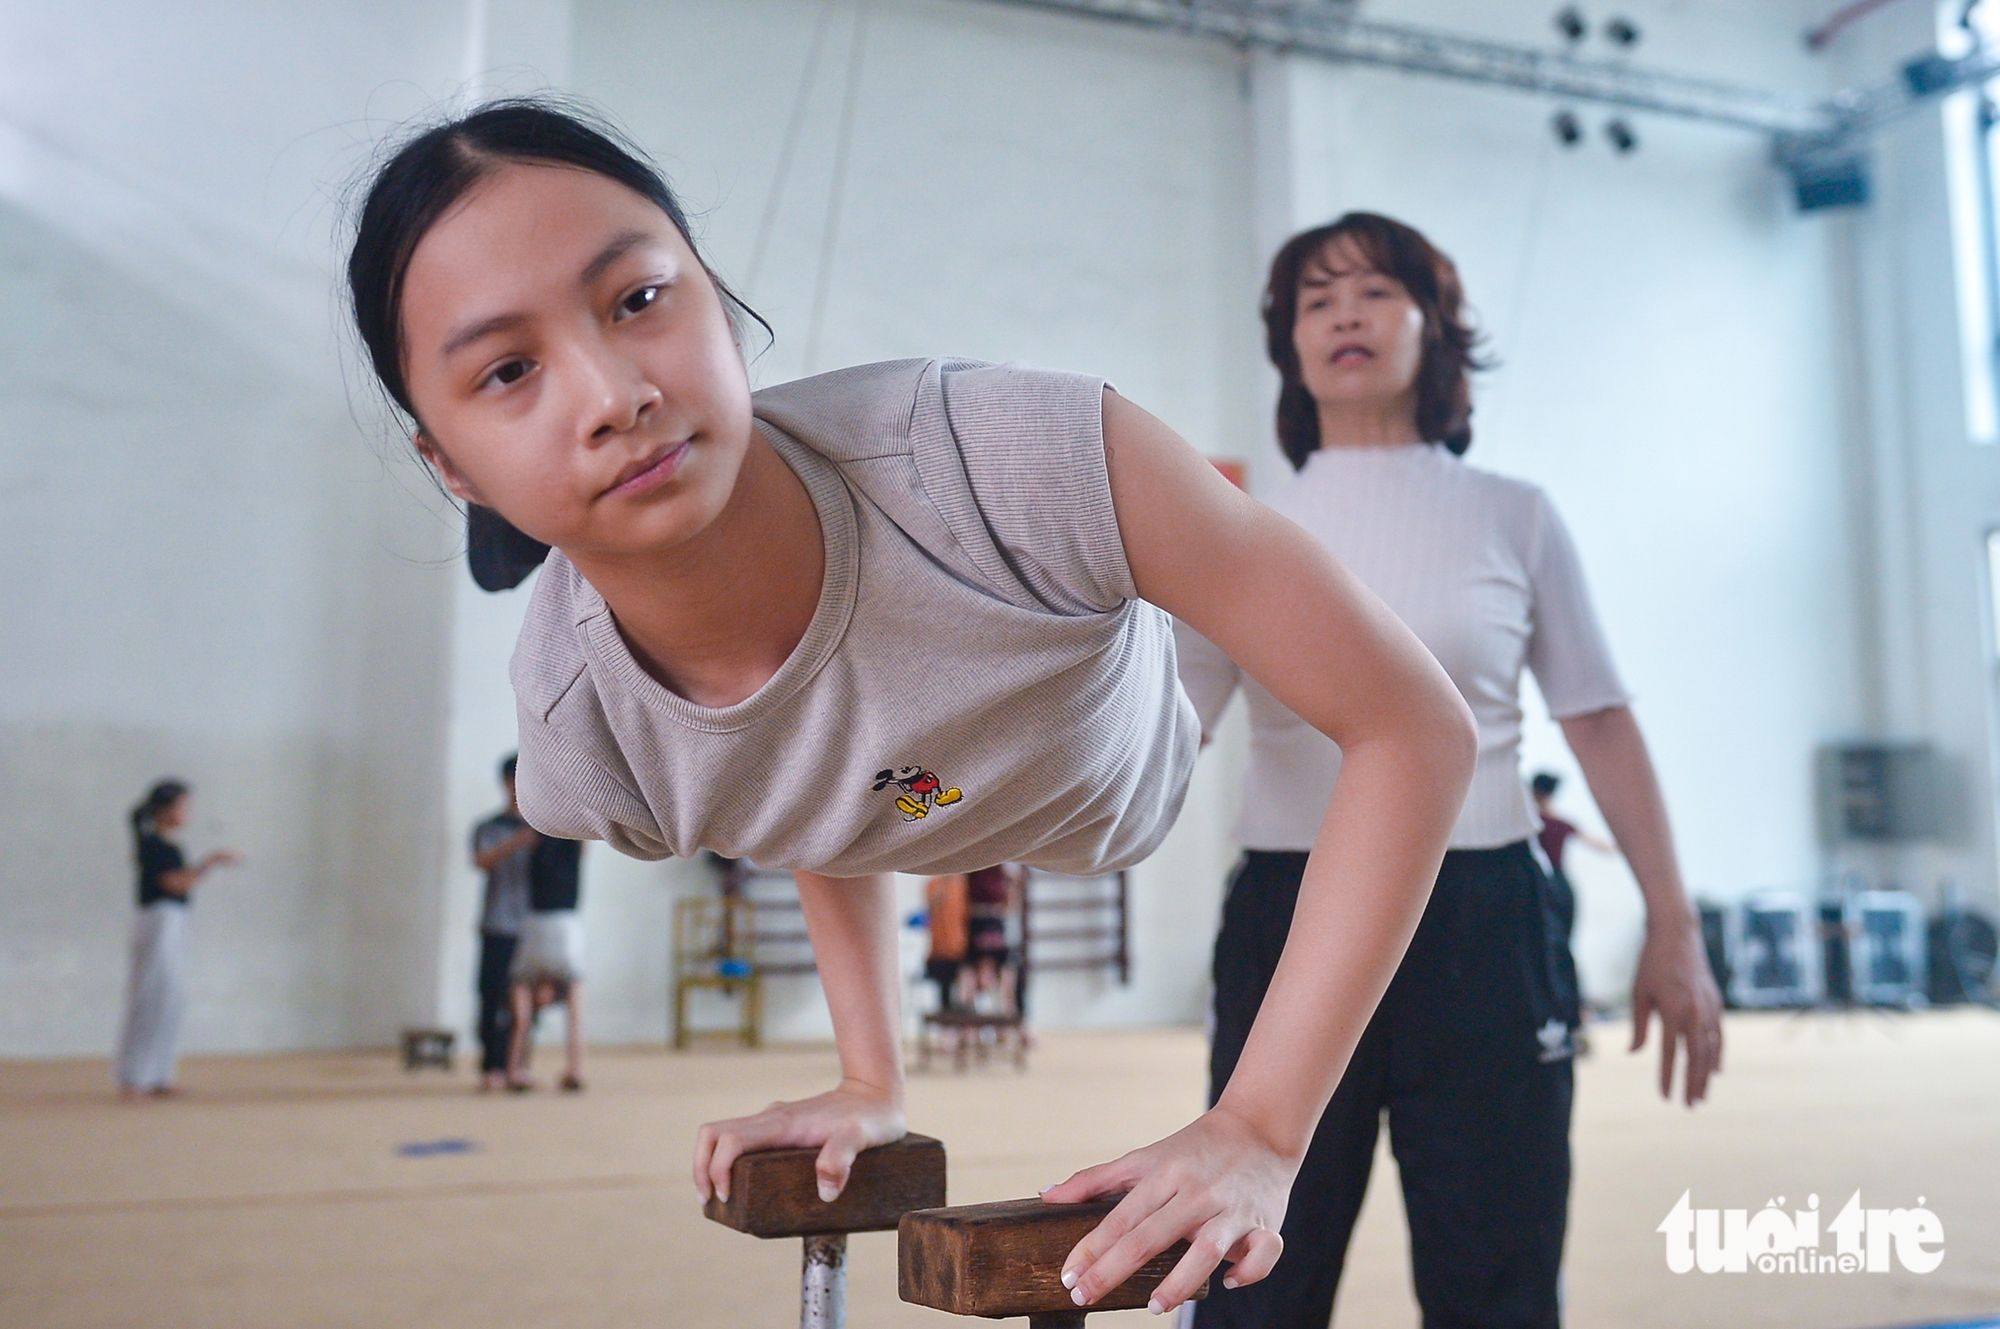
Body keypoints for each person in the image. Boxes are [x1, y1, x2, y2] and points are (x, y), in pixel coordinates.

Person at [343, 99, 1478, 1313]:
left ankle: (1208, 554)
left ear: (715, 296)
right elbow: (798, 787)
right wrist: (866, 1076)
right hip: (929, 786)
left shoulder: (1014, 453)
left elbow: (1415, 726)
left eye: (636, 300)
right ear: (449, 465)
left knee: (1192, 575)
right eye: (508, 371)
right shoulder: (582, 741)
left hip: (1122, 734)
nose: (612, 394)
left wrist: (1257, 1127)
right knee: (879, 763)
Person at [1175, 212, 1725, 1328]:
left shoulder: (1512, 516)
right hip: (1291, 919)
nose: (1342, 314)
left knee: (1498, 1279)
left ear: (1436, 328)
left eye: (1374, 290)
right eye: (1313, 300)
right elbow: (1152, 737)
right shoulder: (1233, 530)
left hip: (1483, 918)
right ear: (1286, 345)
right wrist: (954, 793)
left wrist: (1674, 924)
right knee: (1250, 1286)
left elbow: (1599, 721)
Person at [115, 780, 240, 1101]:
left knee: (170, 998)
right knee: (151, 996)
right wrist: (209, 863)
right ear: (165, 810)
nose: (187, 813)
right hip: (159, 920)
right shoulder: (154, 846)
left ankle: (158, 1074)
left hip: (174, 922)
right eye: (182, 806)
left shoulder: (169, 847)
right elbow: (175, 885)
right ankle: (134, 1078)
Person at [472, 753, 537, 1091]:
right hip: (497, 924)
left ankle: (519, 1064)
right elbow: (481, 861)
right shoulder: (490, 827)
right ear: (504, 783)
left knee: (529, 1003)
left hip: (533, 929)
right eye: (513, 779)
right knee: (491, 995)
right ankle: (490, 1066)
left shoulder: (546, 826)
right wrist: (516, 843)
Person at [506, 828, 587, 1092]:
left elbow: (523, 1019)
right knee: (569, 845)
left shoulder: (526, 975)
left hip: (543, 918)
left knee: (556, 849)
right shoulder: (553, 979)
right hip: (561, 920)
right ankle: (573, 1069)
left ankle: (517, 1068)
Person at [923, 872, 970, 1011]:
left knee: (962, 986)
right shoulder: (934, 884)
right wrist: (946, 882)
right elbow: (932, 905)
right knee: (944, 988)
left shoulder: (962, 885)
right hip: (940, 949)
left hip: (960, 945)